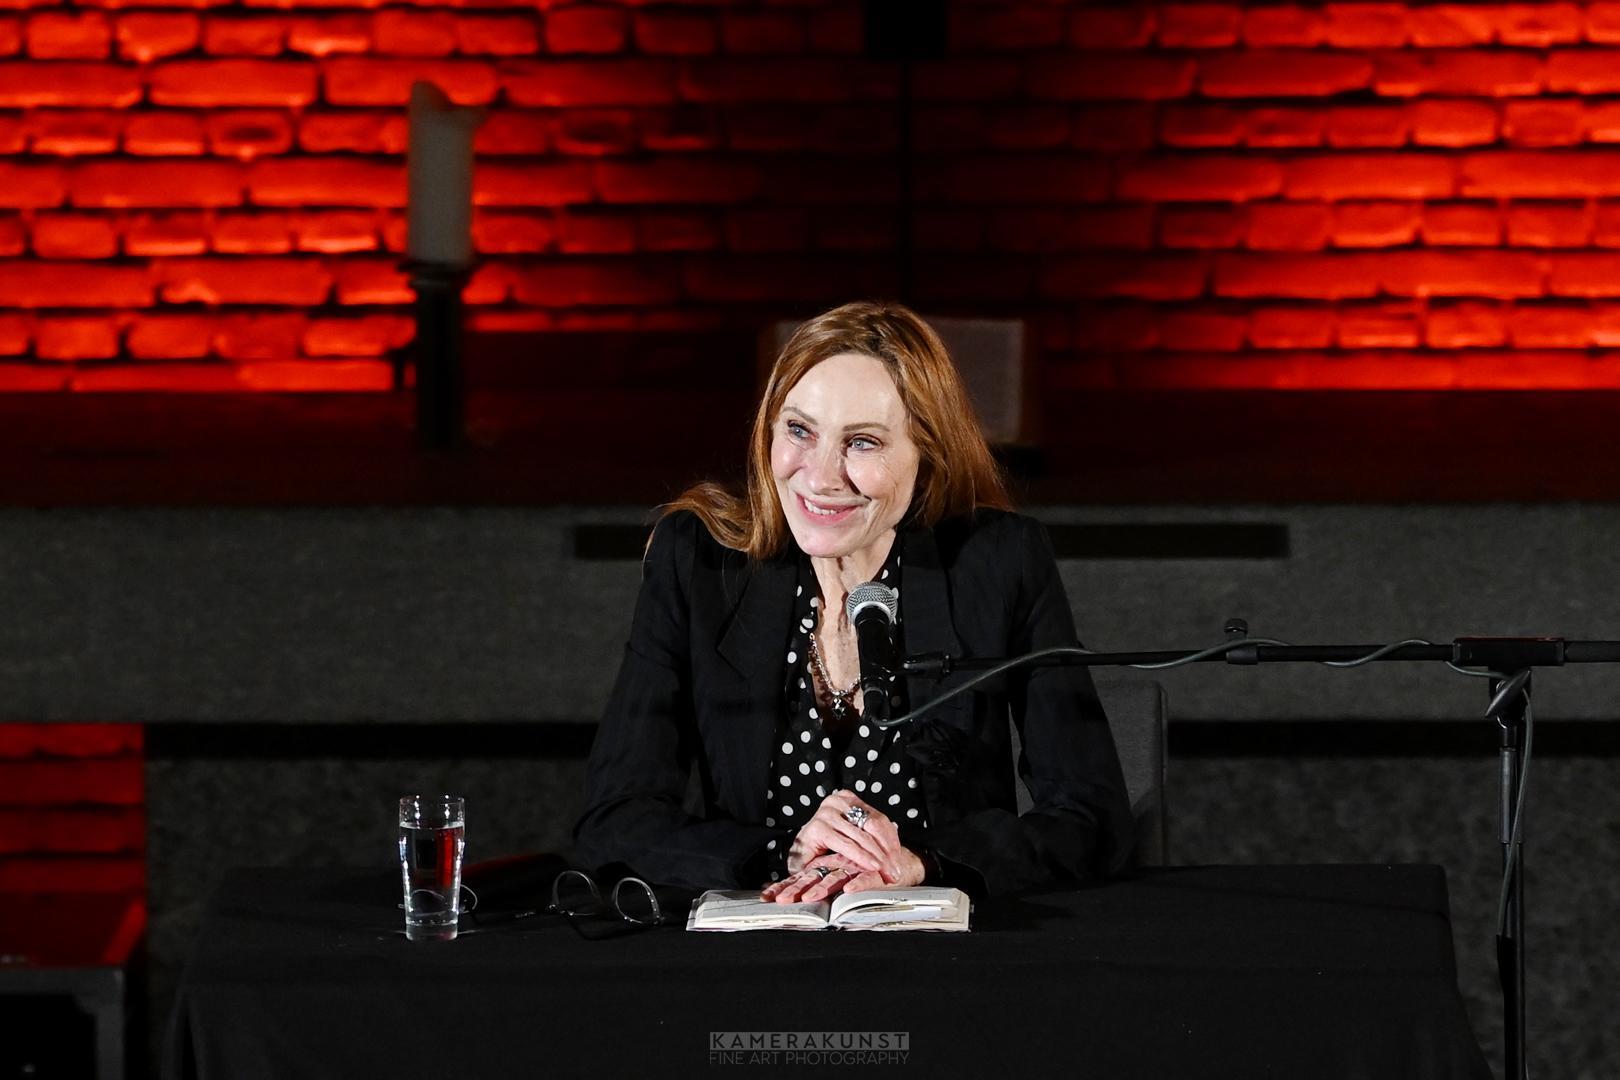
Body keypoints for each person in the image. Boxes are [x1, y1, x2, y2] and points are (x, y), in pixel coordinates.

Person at [574, 301, 1134, 902]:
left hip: (940, 943)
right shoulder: (698, 563)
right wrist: (783, 853)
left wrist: (922, 864)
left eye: (862, 443)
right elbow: (613, 822)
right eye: (799, 431)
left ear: (927, 456)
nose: (821, 477)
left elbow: (1091, 818)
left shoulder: (997, 562)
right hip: (759, 940)